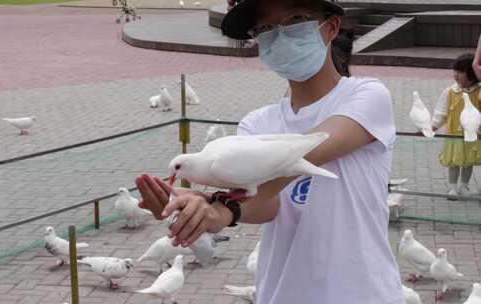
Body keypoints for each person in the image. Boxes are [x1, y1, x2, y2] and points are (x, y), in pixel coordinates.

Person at [135, 0, 404, 303]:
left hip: (364, 294)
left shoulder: (368, 96)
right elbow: (267, 204)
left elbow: (314, 148)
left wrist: (224, 208)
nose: (281, 34)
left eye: (296, 18)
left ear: (331, 27)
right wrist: (209, 206)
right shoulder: (257, 124)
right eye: (265, 27)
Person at [432, 53, 481, 198]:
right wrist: (433, 126)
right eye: (455, 71)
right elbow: (441, 112)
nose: (456, 75)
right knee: (453, 162)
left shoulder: (478, 92)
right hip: (453, 135)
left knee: (468, 162)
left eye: (460, 72)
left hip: (472, 136)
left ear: (472, 75)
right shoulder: (450, 92)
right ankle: (452, 187)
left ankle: (464, 186)